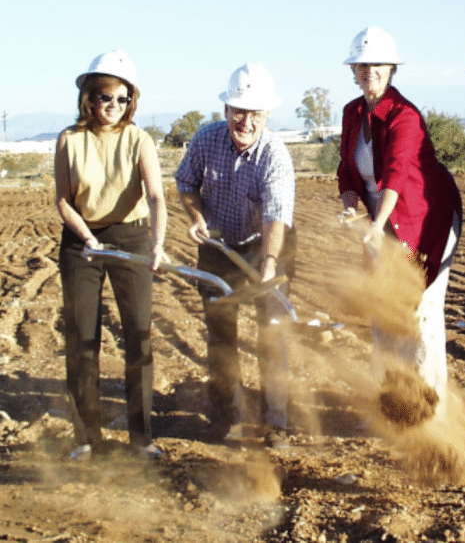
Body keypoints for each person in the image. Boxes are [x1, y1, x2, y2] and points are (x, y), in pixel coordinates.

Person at [337, 26, 462, 415]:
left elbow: (397, 171)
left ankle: (431, 407)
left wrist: (377, 223)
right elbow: (346, 169)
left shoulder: (405, 115)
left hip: (425, 220)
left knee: (422, 309)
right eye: (362, 65)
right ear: (353, 70)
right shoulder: (352, 113)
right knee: (384, 310)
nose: (369, 72)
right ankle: (393, 399)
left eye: (377, 65)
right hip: (383, 222)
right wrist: (349, 206)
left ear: (391, 69)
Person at [175, 63, 296, 448]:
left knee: (273, 334)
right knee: (220, 335)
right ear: (226, 110)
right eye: (239, 112)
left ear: (267, 115)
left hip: (267, 244)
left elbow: (278, 215)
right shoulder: (205, 139)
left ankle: (277, 419)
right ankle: (224, 414)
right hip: (217, 245)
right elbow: (185, 182)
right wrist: (196, 218)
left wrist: (270, 264)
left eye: (255, 113)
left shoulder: (274, 154)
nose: (246, 121)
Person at [55, 50, 168, 460]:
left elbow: (155, 195)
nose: (113, 107)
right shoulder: (70, 138)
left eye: (122, 99)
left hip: (132, 239)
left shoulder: (138, 139)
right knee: (82, 339)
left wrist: (156, 244)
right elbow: (64, 201)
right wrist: (87, 237)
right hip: (82, 241)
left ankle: (142, 438)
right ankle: (87, 438)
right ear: (90, 97)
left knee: (138, 337)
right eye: (106, 98)